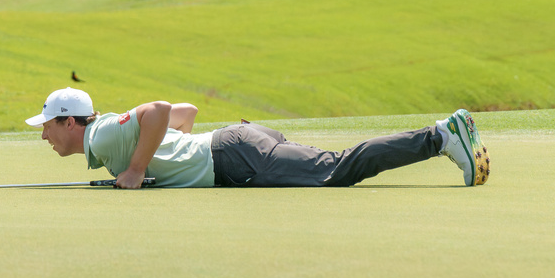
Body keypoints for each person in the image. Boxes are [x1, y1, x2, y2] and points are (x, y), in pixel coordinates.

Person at [25, 87, 489, 188]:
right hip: (239, 143)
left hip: (236, 159)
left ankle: (441, 136)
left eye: (45, 125)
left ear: (70, 122)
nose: (43, 135)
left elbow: (161, 111)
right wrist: (166, 152)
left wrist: (137, 169)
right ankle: (442, 136)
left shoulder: (102, 135)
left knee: (339, 169)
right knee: (333, 165)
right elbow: (185, 114)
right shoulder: (106, 137)